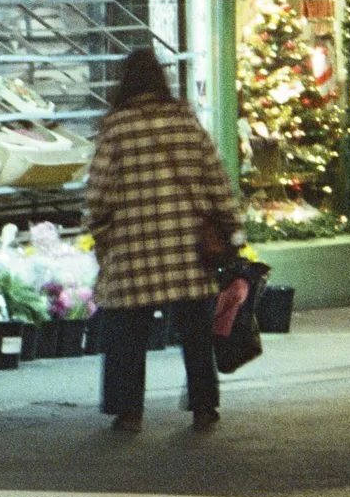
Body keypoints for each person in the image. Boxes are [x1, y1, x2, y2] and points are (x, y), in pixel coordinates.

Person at [84, 48, 240, 433]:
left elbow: (98, 193)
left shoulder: (116, 128)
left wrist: (101, 233)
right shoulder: (187, 122)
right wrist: (231, 226)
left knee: (126, 333)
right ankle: (204, 406)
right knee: (196, 334)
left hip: (133, 250)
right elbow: (216, 179)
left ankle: (128, 411)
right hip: (187, 249)